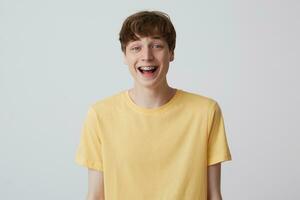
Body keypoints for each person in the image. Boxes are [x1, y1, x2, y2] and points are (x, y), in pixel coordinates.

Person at [75, 10, 232, 200]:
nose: (147, 56)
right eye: (136, 47)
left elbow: (214, 195)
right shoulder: (100, 115)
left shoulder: (205, 112)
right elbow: (95, 196)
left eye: (157, 45)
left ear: (171, 53)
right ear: (124, 56)